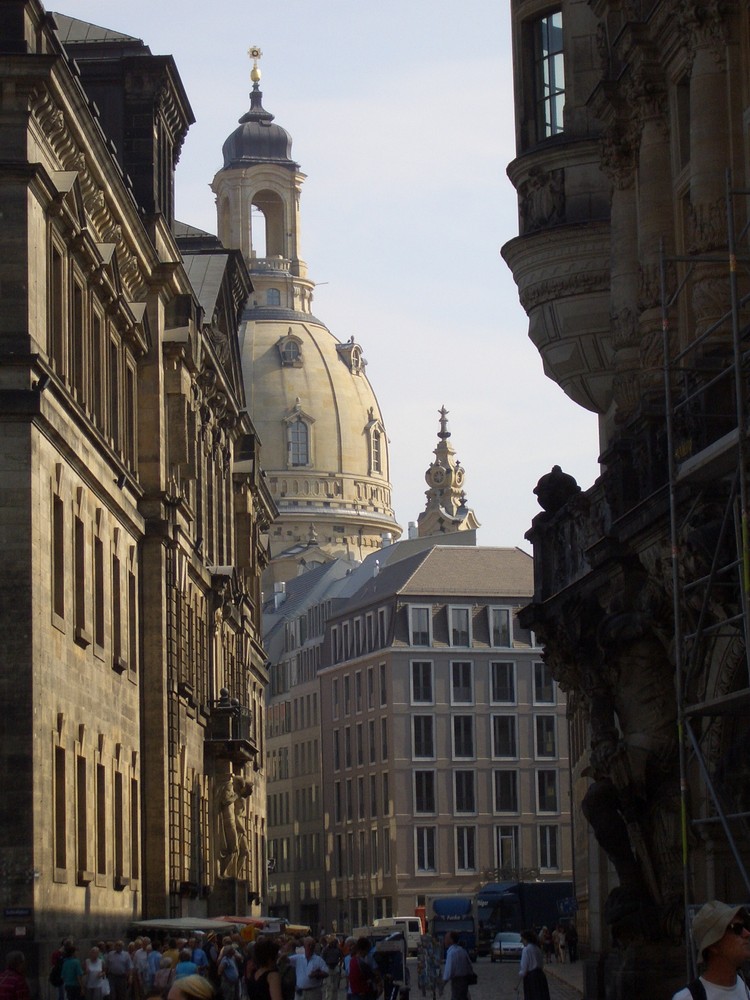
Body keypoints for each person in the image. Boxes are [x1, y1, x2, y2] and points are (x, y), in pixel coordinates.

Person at [672, 900, 750, 1000]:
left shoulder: (746, 988)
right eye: (737, 928)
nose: (747, 933)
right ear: (713, 945)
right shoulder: (688, 997)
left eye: (746, 926)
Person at [518, 930, 550, 1000]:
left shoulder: (526, 950)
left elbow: (524, 967)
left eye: (522, 939)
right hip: (541, 976)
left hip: (531, 978)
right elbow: (541, 964)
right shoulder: (537, 949)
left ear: (526, 939)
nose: (522, 941)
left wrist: (521, 974)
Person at [441, 932, 473, 1000]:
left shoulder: (451, 953)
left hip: (457, 982)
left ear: (451, 940)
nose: (444, 940)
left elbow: (448, 972)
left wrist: (442, 985)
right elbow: (469, 966)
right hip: (464, 982)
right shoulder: (462, 951)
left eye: (446, 938)